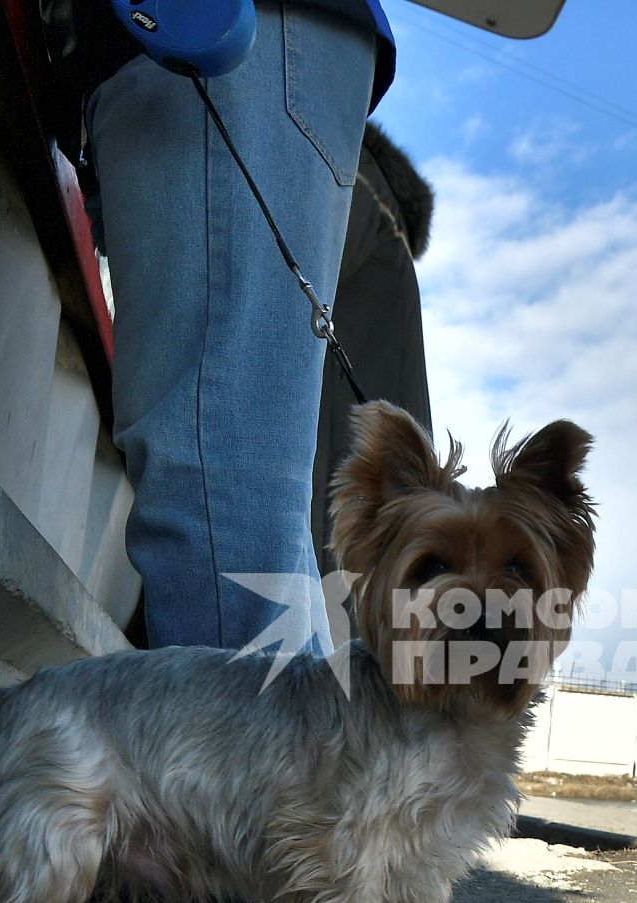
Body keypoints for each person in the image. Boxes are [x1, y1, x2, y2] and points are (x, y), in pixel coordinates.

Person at [43, 0, 397, 652]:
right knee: (252, 527)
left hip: (217, 35)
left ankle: (252, 762)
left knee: (220, 510)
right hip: (263, 49)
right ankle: (298, 759)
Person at [313, 122, 436, 577]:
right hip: (372, 514)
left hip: (333, 494)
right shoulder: (390, 233)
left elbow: (275, 289)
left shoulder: (353, 177)